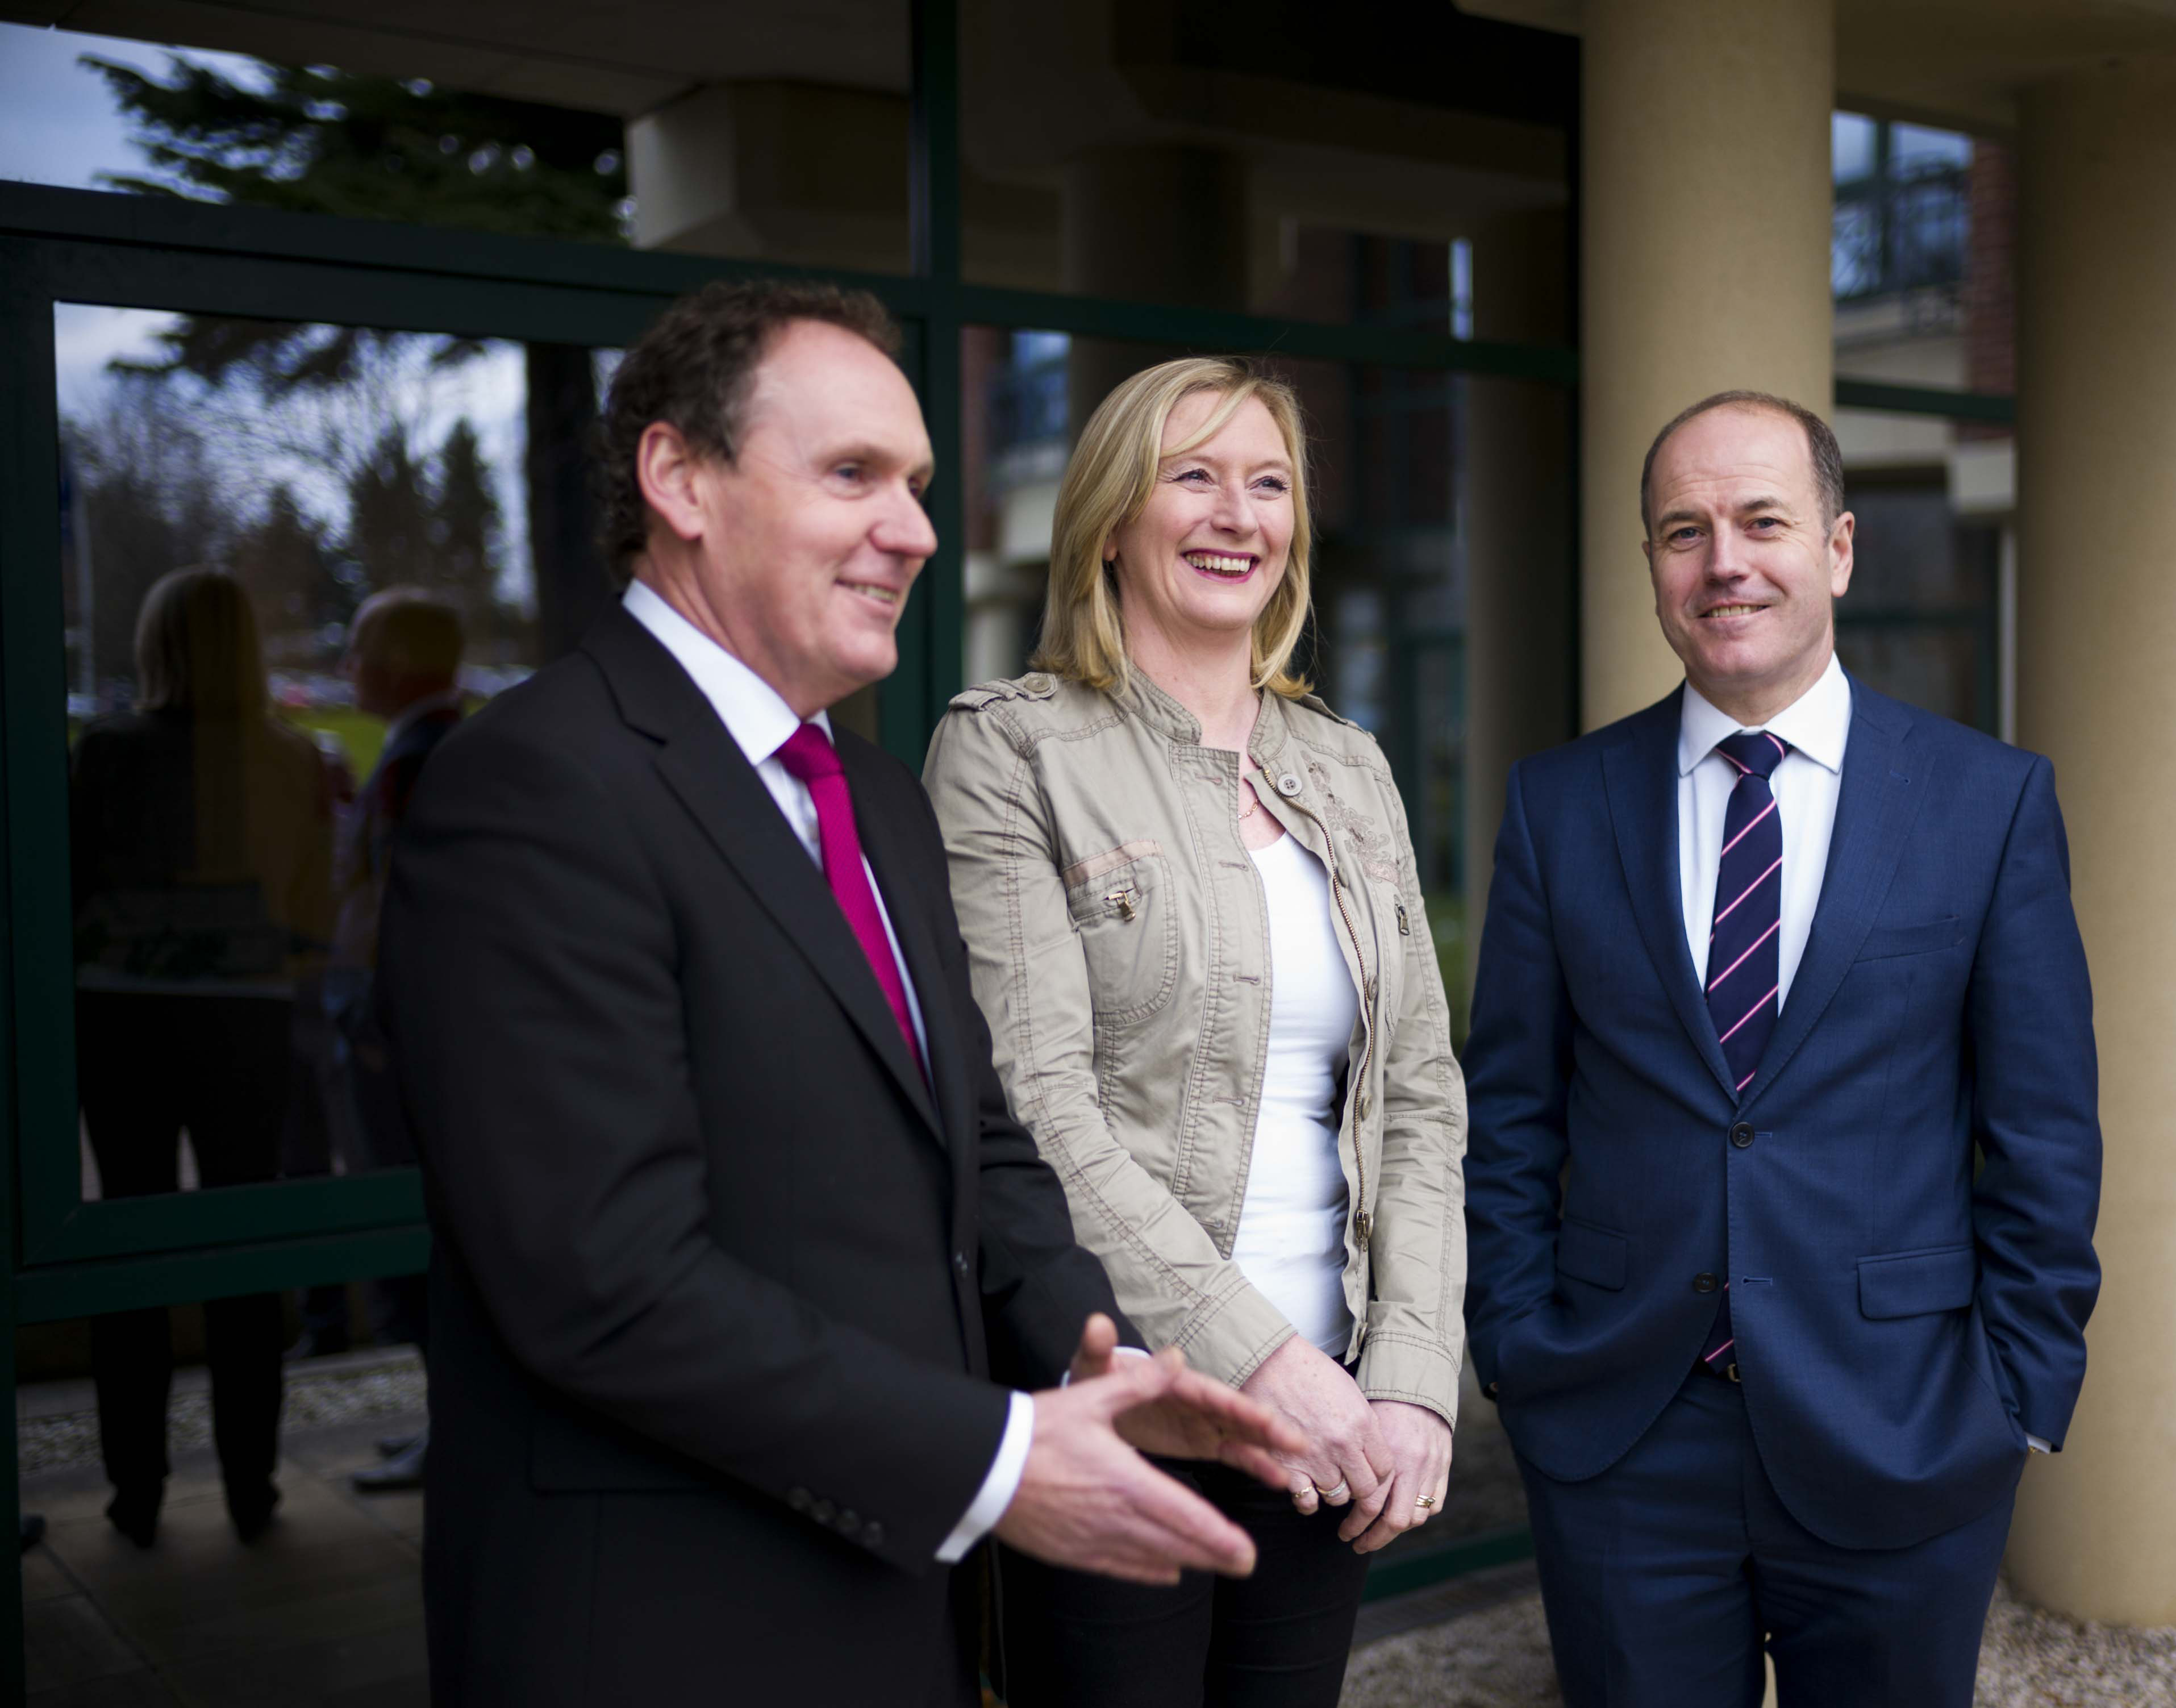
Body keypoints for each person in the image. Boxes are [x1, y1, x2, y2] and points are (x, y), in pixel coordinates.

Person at [374, 280, 1305, 1707]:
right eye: (855, 475)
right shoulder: (532, 786)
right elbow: (602, 1279)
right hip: (658, 1632)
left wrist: (1101, 1351)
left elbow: (977, 1141)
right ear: (678, 477)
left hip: (891, 1606)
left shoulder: (868, 794)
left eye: (921, 484)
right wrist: (994, 1464)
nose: (918, 529)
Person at [1462, 391, 2102, 1707]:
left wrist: (2017, 1397)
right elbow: (1510, 1112)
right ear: (1652, 566)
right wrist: (1518, 1350)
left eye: (1763, 521)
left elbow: (2044, 1131)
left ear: (1841, 548)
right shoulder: (1556, 805)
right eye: (1683, 531)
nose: (1725, 562)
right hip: (1625, 1433)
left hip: (1906, 1427)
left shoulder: (1988, 803)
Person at [925, 357, 1468, 1708]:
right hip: (1134, 1395)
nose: (1239, 514)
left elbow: (1418, 1096)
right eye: (1195, 476)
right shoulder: (1011, 751)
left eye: (1269, 483)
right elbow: (1036, 1108)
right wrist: (1265, 1361)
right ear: (1111, 516)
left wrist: (1406, 1381)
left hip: (1335, 1414)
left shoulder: (1349, 768)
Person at [70, 567, 337, 1547]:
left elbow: (69, 883)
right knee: (244, 1239)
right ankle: (250, 1483)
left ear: (153, 645)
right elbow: (313, 897)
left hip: (121, 1017)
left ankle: (133, 1489)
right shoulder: (288, 758)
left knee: (129, 1242)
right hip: (246, 1016)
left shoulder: (105, 753)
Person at [327, 588, 467, 1493]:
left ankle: (445, 1430)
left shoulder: (423, 758)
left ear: (395, 662)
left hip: (406, 1039)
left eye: (361, 649)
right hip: (411, 1032)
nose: (349, 668)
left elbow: (406, 915)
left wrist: (380, 1025)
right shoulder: (428, 750)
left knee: (423, 1237)